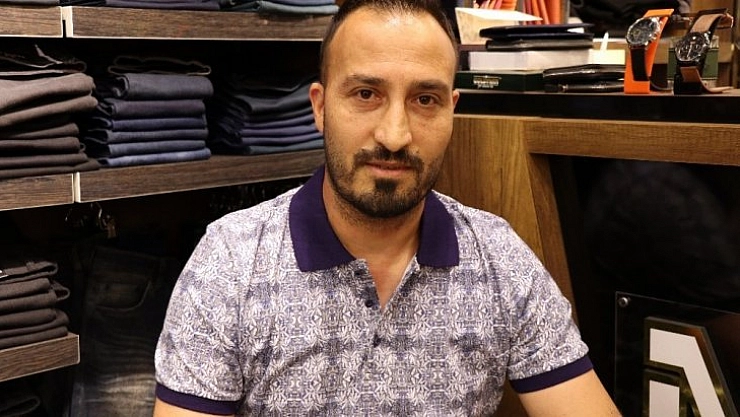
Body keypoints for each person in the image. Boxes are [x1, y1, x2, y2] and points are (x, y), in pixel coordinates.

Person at [152, 0, 622, 415]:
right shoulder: (231, 263)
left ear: (452, 111)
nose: (394, 135)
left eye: (425, 99)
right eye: (366, 94)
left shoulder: (499, 259)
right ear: (320, 107)